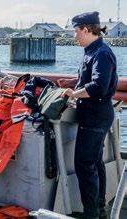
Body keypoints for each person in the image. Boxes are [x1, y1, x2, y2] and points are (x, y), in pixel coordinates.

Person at [58, 11, 118, 219]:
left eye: (76, 31)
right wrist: (71, 84)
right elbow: (89, 80)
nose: (74, 36)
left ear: (86, 29)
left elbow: (99, 86)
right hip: (94, 115)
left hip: (96, 116)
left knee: (84, 164)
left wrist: (74, 94)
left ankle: (91, 213)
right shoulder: (92, 51)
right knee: (95, 162)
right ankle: (99, 210)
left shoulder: (101, 53)